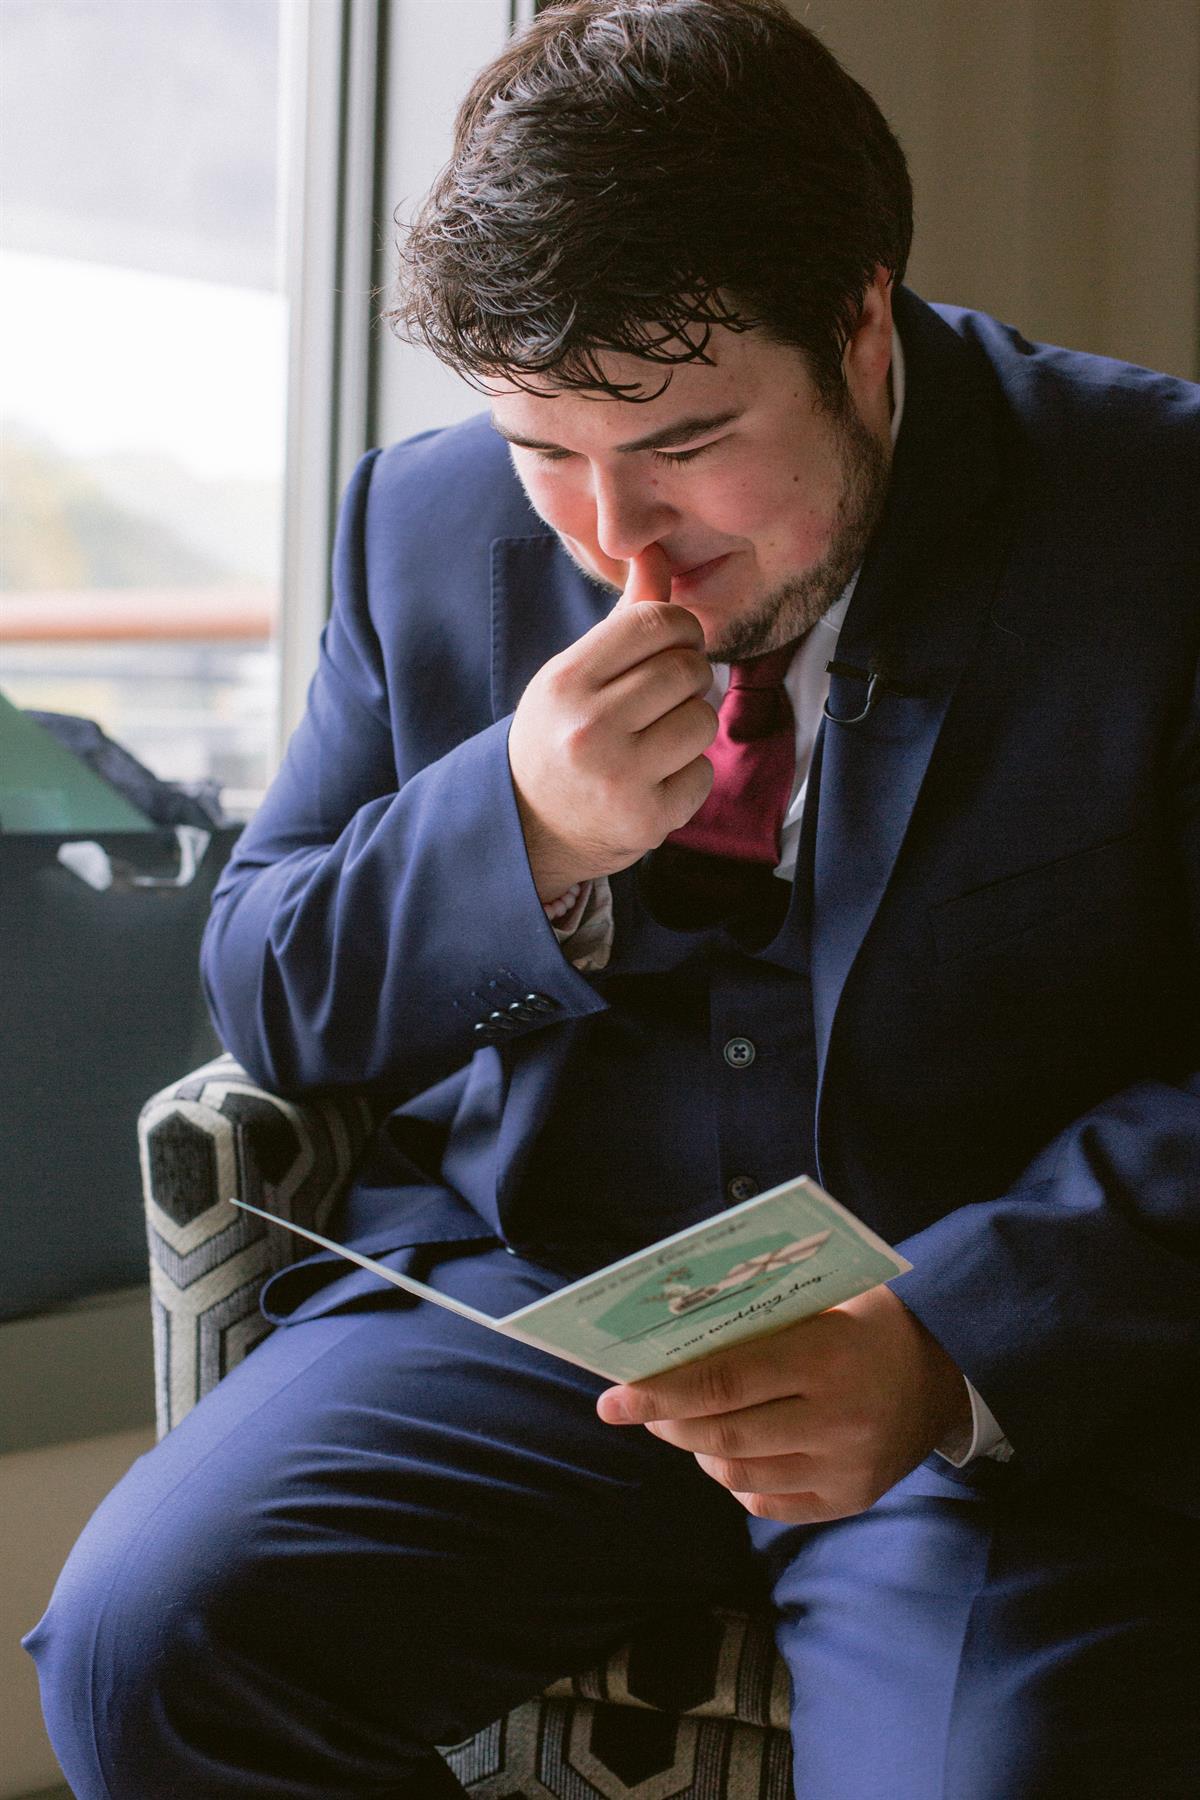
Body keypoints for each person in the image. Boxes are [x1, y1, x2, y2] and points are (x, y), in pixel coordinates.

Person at [26, 2, 1200, 1795]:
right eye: (542, 449)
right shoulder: (421, 523)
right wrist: (516, 831)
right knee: (146, 1647)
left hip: (970, 1379)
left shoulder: (1161, 518)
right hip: (536, 1314)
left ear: (861, 321)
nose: (614, 539)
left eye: (684, 440)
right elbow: (272, 985)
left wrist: (948, 1343)